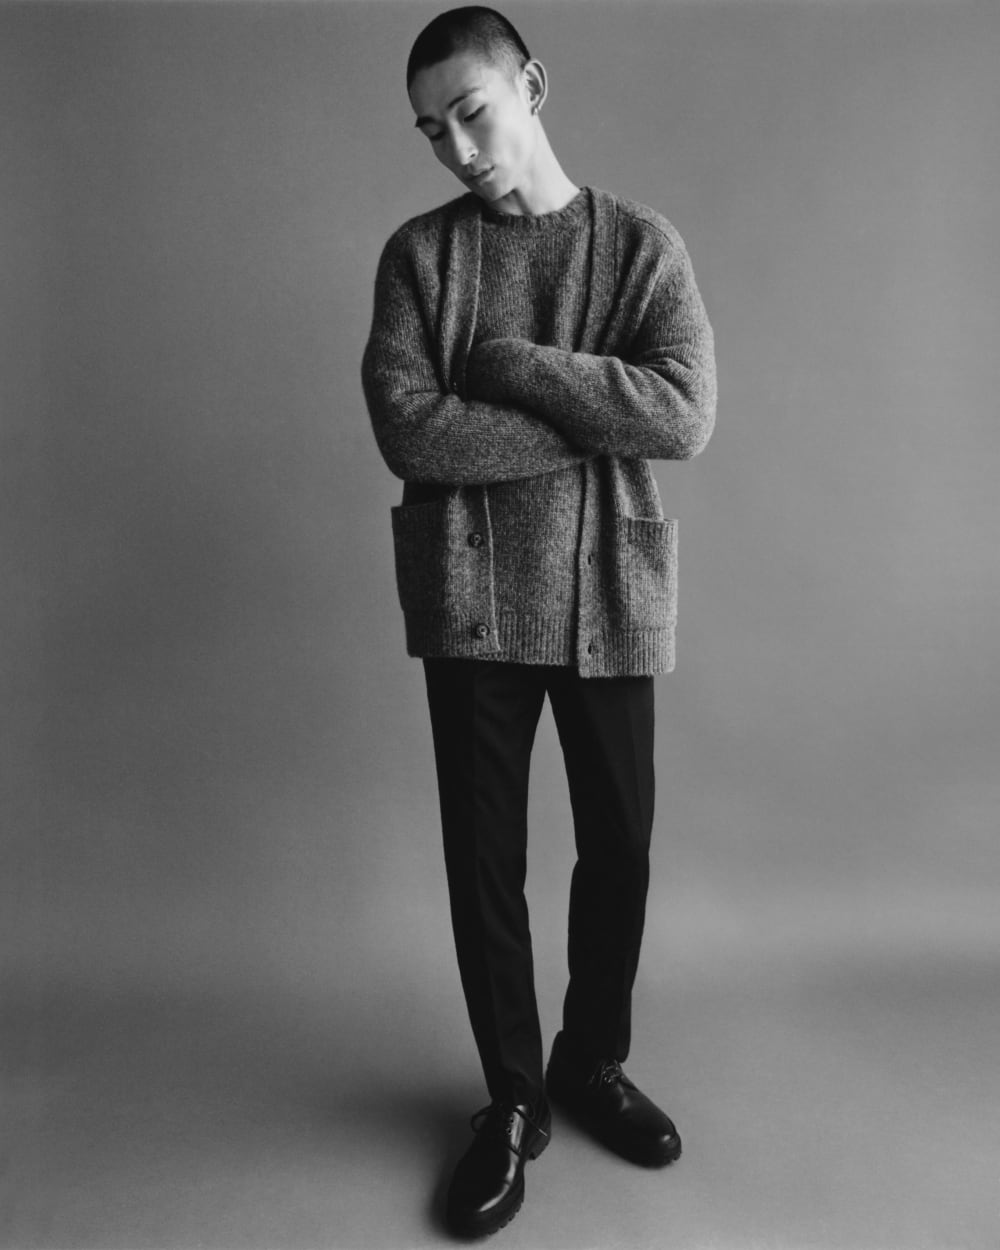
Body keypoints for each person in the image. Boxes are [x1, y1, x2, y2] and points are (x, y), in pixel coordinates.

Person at [361, 5, 716, 1238]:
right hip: (471, 599)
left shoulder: (638, 247)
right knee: (484, 862)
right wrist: (592, 418)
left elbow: (683, 414)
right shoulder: (420, 259)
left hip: (605, 593)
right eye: (431, 131)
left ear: (532, 85)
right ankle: (512, 1096)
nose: (457, 149)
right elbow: (413, 430)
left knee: (620, 844)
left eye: (471, 112)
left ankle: (588, 1058)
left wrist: (513, 365)